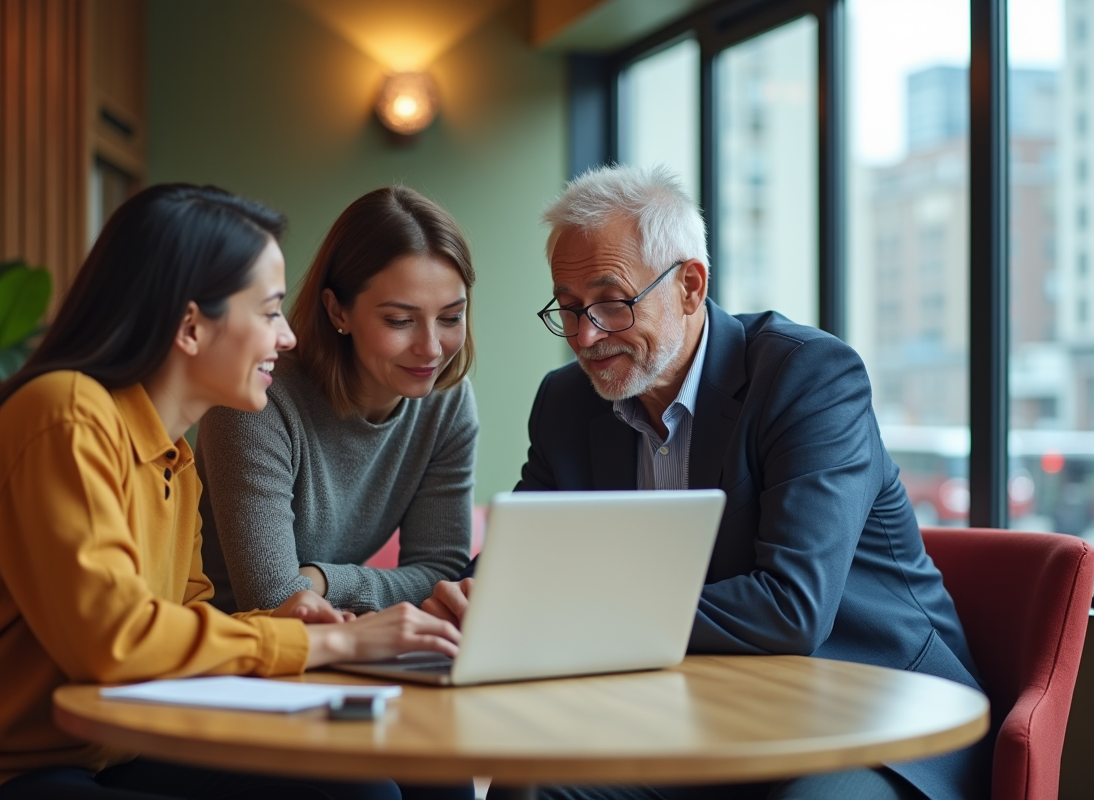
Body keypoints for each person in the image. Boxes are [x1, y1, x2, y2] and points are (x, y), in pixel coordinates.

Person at [423, 165, 990, 800]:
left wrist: (575, 610)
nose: (584, 336)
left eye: (611, 302)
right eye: (570, 306)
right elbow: (531, 558)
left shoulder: (808, 378)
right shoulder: (566, 403)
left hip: (873, 711)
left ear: (690, 285)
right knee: (532, 788)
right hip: (691, 714)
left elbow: (791, 609)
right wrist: (477, 597)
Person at [0, 184, 461, 800]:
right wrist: (331, 640)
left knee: (386, 785)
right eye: (269, 311)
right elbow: (115, 642)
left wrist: (278, 617)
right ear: (191, 326)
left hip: (114, 744)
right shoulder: (64, 417)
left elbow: (182, 618)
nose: (288, 336)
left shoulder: (174, 454)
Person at [195, 186, 477, 616]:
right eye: (400, 320)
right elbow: (276, 603)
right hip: (228, 653)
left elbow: (443, 576)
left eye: (451, 317)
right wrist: (314, 590)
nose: (432, 349)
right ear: (337, 311)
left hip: (338, 641)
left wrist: (324, 579)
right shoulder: (257, 398)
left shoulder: (447, 401)